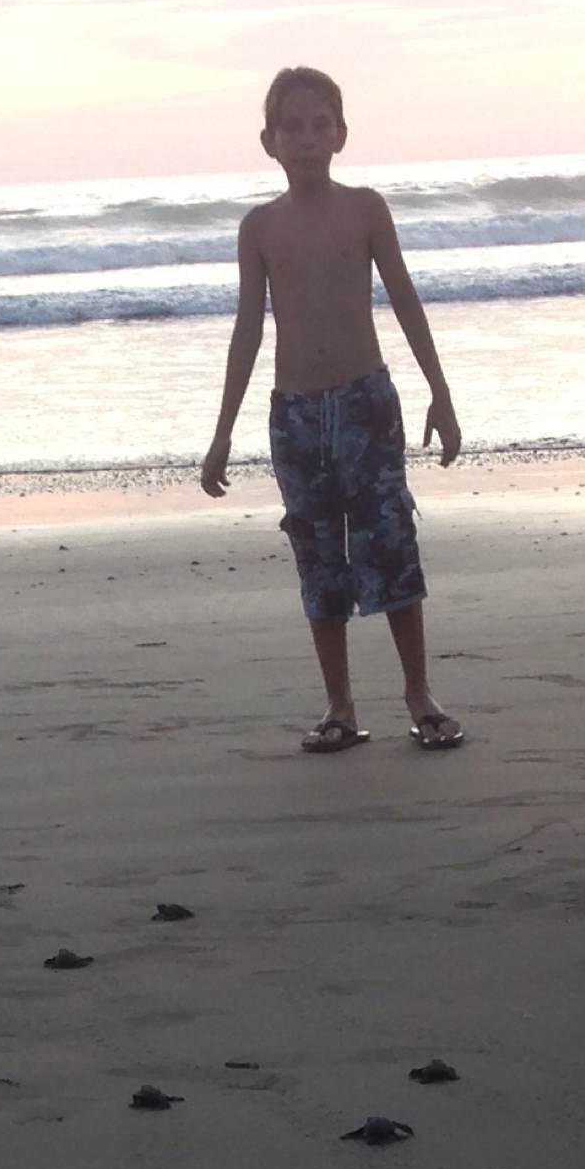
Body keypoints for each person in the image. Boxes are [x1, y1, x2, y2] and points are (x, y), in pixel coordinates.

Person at [199, 65, 467, 754]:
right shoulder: (259, 226)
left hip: (366, 403)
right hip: (295, 414)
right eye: (294, 126)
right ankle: (340, 705)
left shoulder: (366, 208)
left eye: (321, 124)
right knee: (318, 558)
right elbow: (248, 329)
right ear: (270, 141)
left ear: (341, 133)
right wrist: (222, 433)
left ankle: (419, 695)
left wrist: (440, 390)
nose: (308, 137)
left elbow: (404, 298)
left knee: (390, 546)